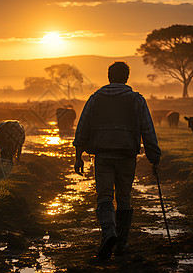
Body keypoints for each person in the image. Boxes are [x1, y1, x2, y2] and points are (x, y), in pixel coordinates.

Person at [73, 61, 161, 260]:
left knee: (104, 196)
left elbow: (83, 128)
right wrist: (154, 158)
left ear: (109, 77)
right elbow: (148, 130)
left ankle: (108, 233)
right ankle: (121, 244)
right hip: (126, 156)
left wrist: (78, 157)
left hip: (103, 156)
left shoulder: (95, 99)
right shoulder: (137, 100)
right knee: (123, 197)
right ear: (126, 78)